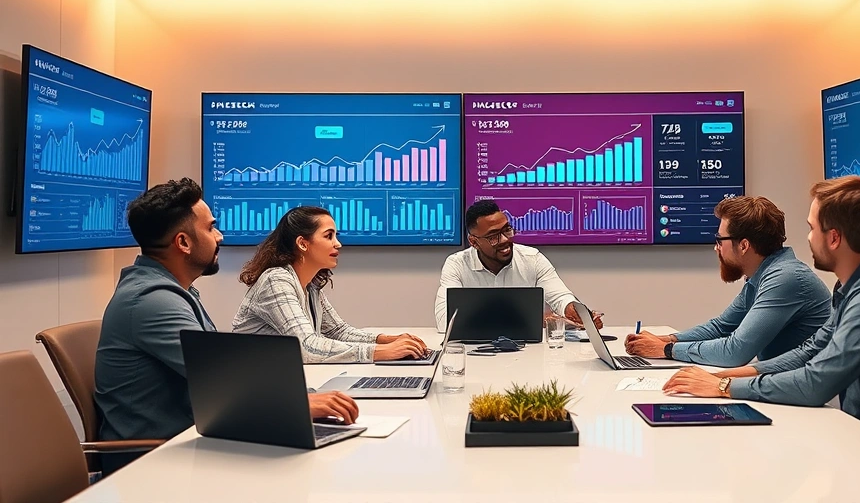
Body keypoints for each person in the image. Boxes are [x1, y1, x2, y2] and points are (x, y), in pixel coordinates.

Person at [663, 176, 860, 445]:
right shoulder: (857, 286)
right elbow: (811, 351)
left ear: (833, 238)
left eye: (811, 228)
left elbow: (816, 383)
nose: (806, 238)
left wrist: (725, 386)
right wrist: (727, 377)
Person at [95, 178, 358, 475]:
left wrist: (303, 394)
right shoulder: (151, 301)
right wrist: (299, 403)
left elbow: (224, 370)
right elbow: (221, 381)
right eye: (210, 228)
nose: (219, 236)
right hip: (155, 462)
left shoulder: (175, 292)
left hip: (194, 440)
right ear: (183, 242)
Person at [624, 196, 830, 367]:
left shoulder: (785, 278)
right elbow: (721, 327)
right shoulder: (764, 274)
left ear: (744, 245)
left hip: (816, 403)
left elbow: (735, 352)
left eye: (720, 240)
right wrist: (666, 340)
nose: (716, 248)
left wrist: (666, 350)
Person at [233, 205, 427, 362]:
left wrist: (387, 340)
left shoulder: (311, 285)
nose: (338, 244)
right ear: (302, 243)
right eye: (329, 236)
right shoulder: (276, 280)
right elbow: (307, 346)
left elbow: (337, 331)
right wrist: (380, 352)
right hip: (249, 388)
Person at [433, 199, 603, 333]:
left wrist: (577, 313)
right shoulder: (456, 264)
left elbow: (561, 298)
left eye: (507, 230)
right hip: (474, 356)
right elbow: (443, 322)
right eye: (493, 236)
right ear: (474, 242)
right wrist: (534, 319)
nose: (506, 240)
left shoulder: (532, 259)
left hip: (528, 355)